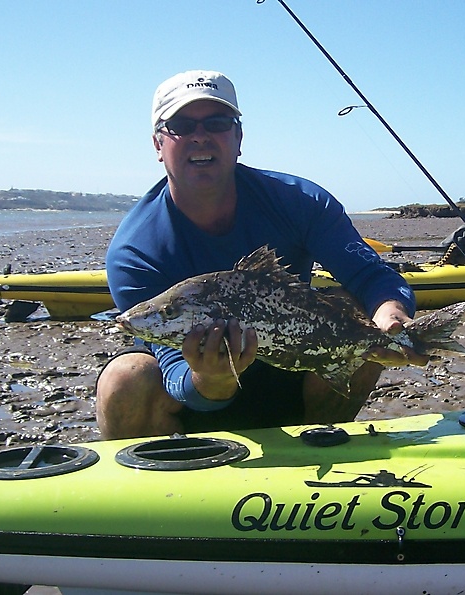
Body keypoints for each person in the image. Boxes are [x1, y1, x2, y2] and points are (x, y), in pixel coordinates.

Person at [96, 70, 424, 439]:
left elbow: (371, 277)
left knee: (358, 310)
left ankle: (316, 445)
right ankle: (157, 487)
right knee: (124, 379)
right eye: (182, 125)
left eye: (217, 122)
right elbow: (171, 365)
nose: (200, 135)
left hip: (295, 380)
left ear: (238, 137)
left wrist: (391, 317)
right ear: (158, 144)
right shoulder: (133, 252)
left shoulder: (300, 202)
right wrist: (212, 379)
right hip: (195, 401)